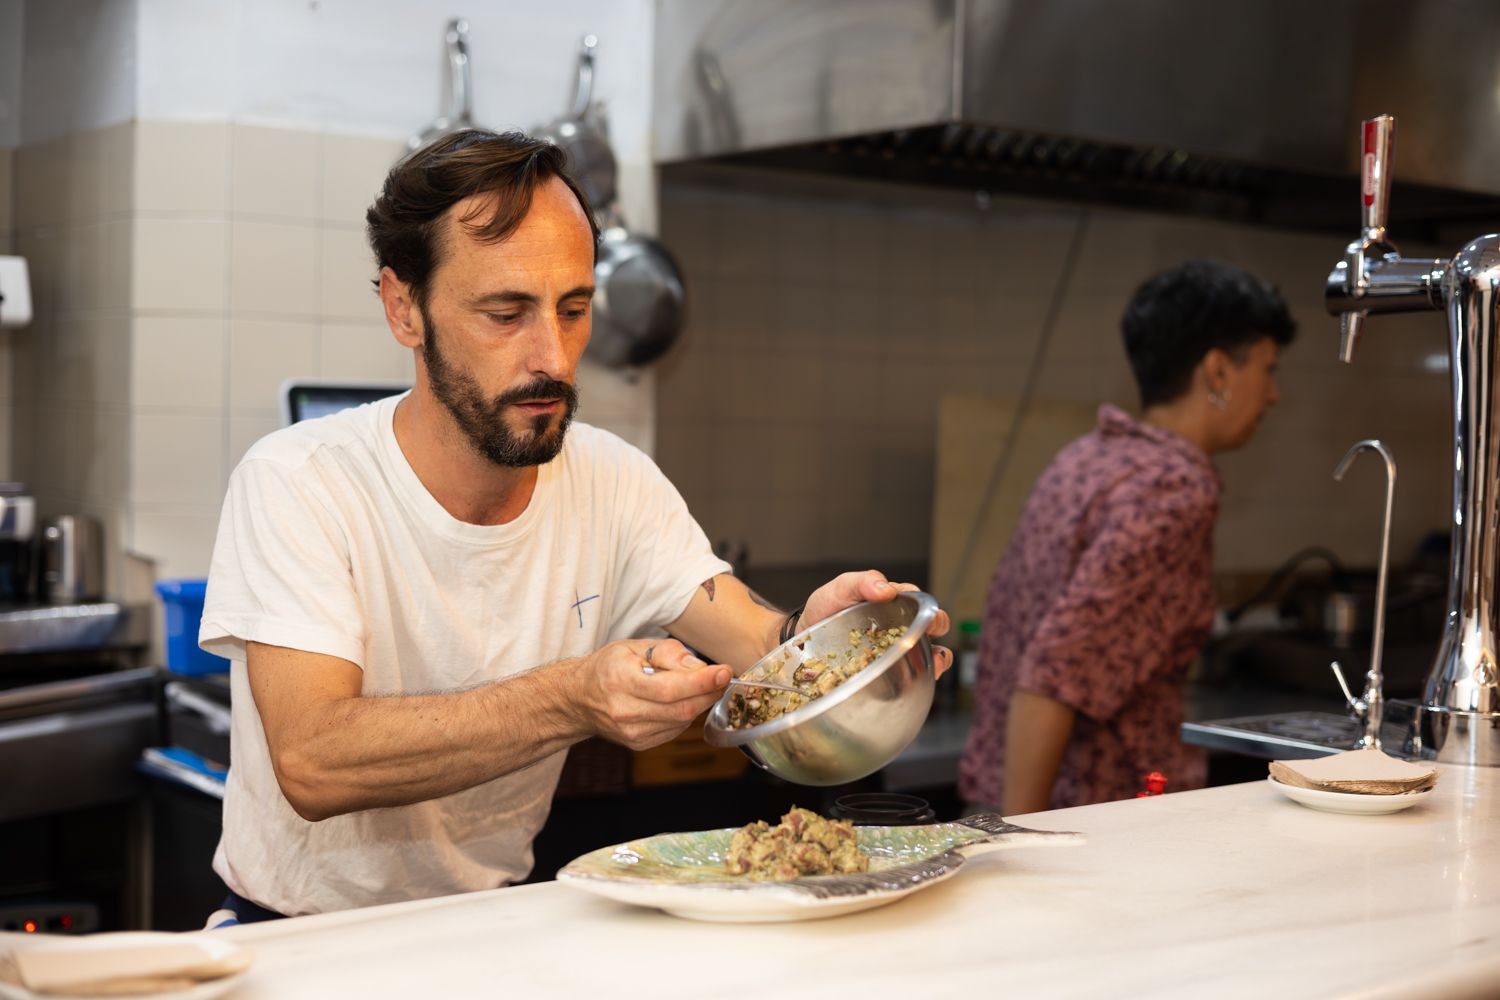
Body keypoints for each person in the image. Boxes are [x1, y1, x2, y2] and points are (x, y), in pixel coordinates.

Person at [198, 129, 951, 921]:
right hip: (299, 943)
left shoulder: (610, 480)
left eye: (574, 308)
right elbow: (314, 761)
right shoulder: (299, 481)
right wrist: (575, 697)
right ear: (403, 307)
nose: (553, 357)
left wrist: (822, 643)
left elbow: (763, 648)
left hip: (495, 926)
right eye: (505, 312)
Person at [958, 260, 1294, 815]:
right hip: (1098, 826)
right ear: (1217, 372)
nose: (1274, 394)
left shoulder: (1086, 456)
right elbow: (1051, 677)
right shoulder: (1174, 493)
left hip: (1000, 800)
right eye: (1267, 368)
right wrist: (1022, 844)